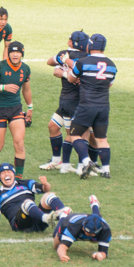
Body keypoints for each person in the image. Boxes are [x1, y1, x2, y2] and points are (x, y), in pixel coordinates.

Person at [60, 34, 116, 179]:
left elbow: (71, 79)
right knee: (101, 138)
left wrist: (66, 64)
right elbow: (108, 85)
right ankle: (106, 170)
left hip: (87, 105)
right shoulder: (112, 65)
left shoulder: (83, 63)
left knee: (74, 134)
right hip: (103, 106)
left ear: (90, 45)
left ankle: (86, 161)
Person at [39, 31, 88, 173]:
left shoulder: (66, 55)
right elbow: (56, 71)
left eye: (70, 40)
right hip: (66, 100)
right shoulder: (85, 57)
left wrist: (63, 63)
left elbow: (50, 62)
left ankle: (81, 165)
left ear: (74, 43)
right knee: (53, 126)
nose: (67, 42)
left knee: (74, 134)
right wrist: (67, 73)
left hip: (75, 101)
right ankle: (57, 161)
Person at [0, 41, 32, 182]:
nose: (15, 55)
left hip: (16, 109)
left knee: (19, 144)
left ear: (22, 54)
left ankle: (18, 180)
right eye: (12, 52)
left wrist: (30, 107)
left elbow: (26, 89)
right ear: (8, 53)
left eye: (18, 52)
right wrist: (4, 87)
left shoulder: (25, 69)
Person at [0, 163, 69, 233]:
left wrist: (45, 184)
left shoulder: (26, 183)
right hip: (21, 224)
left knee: (48, 195)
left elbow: (44, 189)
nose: (6, 174)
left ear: (14, 174)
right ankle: (47, 218)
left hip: (37, 218)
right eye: (3, 173)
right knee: (27, 202)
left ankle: (65, 217)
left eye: (9, 172)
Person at [52, 195, 111, 262]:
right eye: (85, 230)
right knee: (56, 246)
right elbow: (62, 247)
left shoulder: (105, 229)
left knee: (96, 217)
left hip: (92, 221)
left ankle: (94, 204)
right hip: (69, 221)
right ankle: (63, 214)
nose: (86, 233)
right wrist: (62, 255)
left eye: (90, 233)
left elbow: (104, 252)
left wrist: (100, 255)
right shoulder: (73, 226)